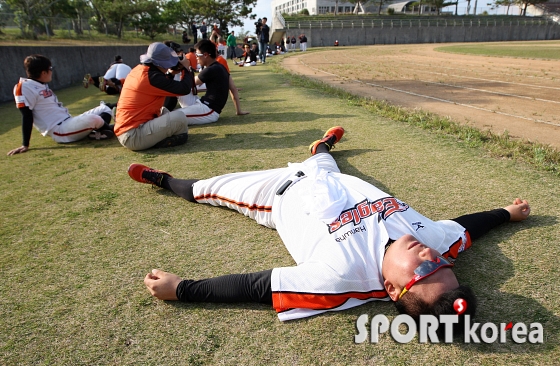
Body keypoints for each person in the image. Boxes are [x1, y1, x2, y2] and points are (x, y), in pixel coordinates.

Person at [129, 126, 531, 334]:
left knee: (201, 189)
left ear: (391, 289)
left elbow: (258, 286)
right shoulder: (437, 243)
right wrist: (507, 213)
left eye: (425, 270)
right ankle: (323, 145)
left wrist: (182, 289)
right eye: (443, 264)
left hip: (275, 194)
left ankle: (161, 179)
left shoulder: (340, 277)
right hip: (328, 178)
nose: (431, 256)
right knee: (324, 159)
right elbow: (467, 228)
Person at [8, 54, 115, 155]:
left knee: (105, 108)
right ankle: (110, 130)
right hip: (59, 130)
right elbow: (26, 115)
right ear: (43, 73)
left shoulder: (40, 84)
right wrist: (25, 144)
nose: (51, 71)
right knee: (94, 119)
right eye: (50, 69)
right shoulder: (25, 87)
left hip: (69, 122)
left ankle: (98, 133)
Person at [114, 42, 194, 151]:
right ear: (160, 64)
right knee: (180, 118)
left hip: (130, 130)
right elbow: (184, 89)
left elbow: (160, 84)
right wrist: (186, 69)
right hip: (133, 135)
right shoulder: (151, 78)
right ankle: (155, 141)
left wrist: (171, 74)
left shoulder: (140, 70)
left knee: (164, 111)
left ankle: (155, 138)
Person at [175, 40, 248, 124]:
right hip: (204, 105)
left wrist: (184, 68)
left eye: (197, 55)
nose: (196, 57)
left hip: (209, 110)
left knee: (173, 116)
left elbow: (186, 84)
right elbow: (233, 89)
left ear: (205, 55)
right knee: (180, 92)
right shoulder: (220, 67)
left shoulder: (210, 70)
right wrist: (238, 111)